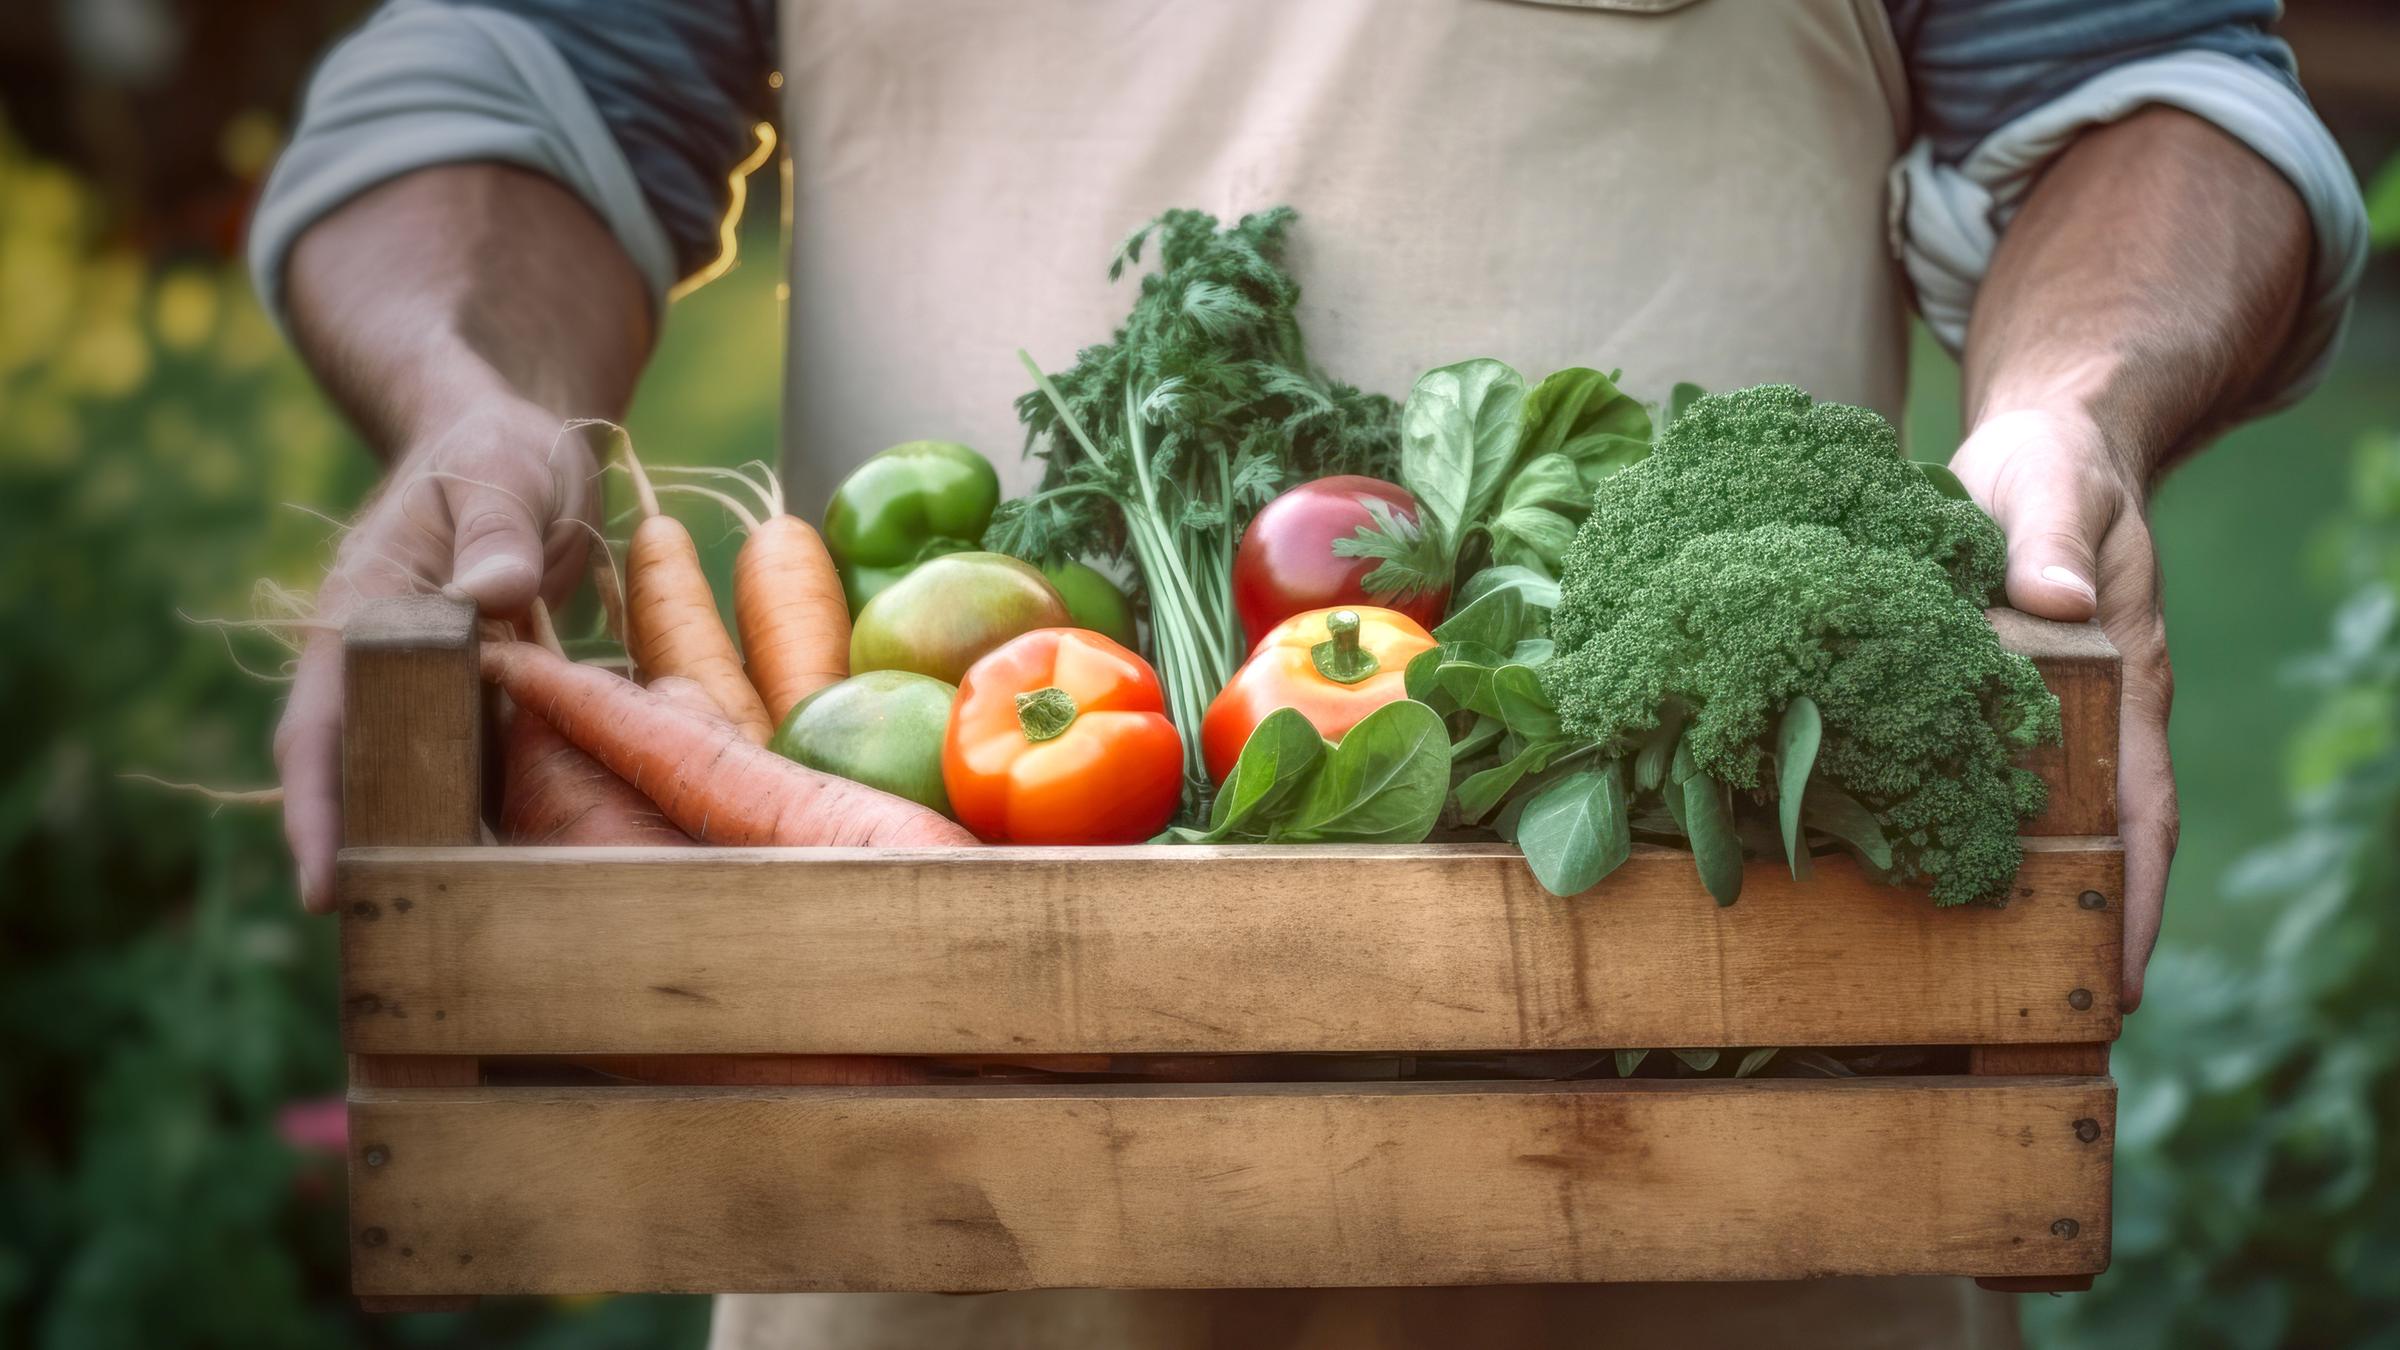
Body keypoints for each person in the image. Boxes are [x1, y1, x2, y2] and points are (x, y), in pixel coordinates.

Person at [252, 1, 2368, 1345]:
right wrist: (465, 388)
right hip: (940, 1233)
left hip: (1743, 1210)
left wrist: (2071, 403)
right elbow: (514, 74)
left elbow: (2142, 88)